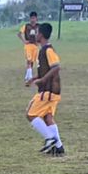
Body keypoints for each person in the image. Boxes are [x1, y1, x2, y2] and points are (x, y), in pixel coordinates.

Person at [26, 22, 64, 156]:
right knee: (48, 118)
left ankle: (50, 138)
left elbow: (56, 67)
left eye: (37, 32)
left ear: (41, 35)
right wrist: (34, 78)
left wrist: (42, 80)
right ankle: (59, 146)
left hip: (48, 91)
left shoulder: (48, 50)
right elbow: (46, 70)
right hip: (52, 91)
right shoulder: (43, 50)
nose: (35, 34)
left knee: (30, 114)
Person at [18, 10, 41, 81]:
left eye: (34, 18)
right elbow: (19, 34)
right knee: (29, 59)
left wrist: (39, 42)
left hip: (35, 46)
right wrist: (24, 41)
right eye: (31, 18)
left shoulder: (39, 26)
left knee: (32, 61)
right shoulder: (26, 26)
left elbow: (42, 35)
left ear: (36, 18)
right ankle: (30, 76)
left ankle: (27, 75)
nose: (33, 20)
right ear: (30, 19)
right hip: (28, 45)